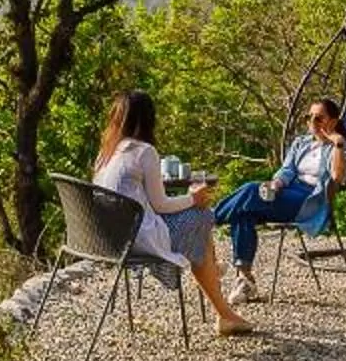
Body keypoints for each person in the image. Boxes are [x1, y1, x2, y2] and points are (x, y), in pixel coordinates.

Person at [91, 89, 256, 337]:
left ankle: (211, 267)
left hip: (108, 239)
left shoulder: (105, 154)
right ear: (148, 119)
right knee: (202, 215)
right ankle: (222, 307)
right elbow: (160, 205)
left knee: (198, 224)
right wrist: (193, 198)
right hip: (136, 241)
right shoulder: (144, 151)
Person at [216, 99, 346, 300]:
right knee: (244, 211)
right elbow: (287, 170)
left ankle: (208, 219)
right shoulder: (301, 143)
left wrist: (338, 143)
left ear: (333, 121)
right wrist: (277, 183)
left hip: (310, 200)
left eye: (318, 118)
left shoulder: (344, 149)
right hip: (289, 191)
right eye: (309, 117)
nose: (312, 122)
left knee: (250, 189)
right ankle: (245, 280)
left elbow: (338, 177)